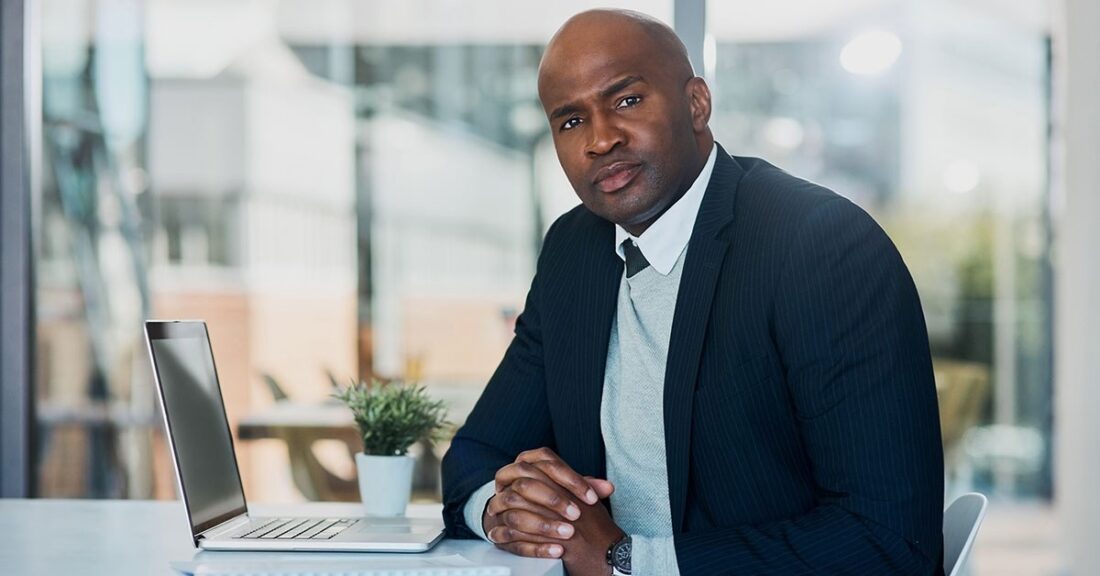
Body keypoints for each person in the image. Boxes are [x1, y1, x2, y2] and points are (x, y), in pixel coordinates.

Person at [441, 9, 944, 576]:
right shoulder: (574, 251)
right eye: (571, 120)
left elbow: (889, 541)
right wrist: (506, 512)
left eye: (627, 101)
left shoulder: (820, 245)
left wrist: (625, 561)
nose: (601, 139)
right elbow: (475, 455)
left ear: (697, 104)